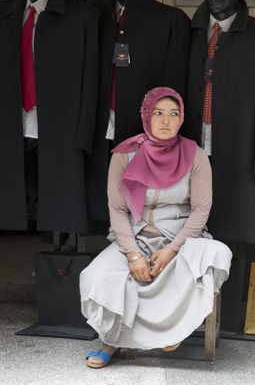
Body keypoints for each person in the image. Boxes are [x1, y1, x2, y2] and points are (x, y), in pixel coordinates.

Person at [79, 87, 232, 368]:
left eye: (173, 114)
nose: (165, 120)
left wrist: (173, 250)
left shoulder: (195, 155)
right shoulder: (125, 154)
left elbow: (200, 210)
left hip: (180, 239)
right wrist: (133, 255)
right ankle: (111, 340)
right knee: (96, 276)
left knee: (218, 253)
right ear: (145, 115)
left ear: (182, 119)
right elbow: (117, 208)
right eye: (158, 113)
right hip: (132, 239)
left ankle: (175, 330)